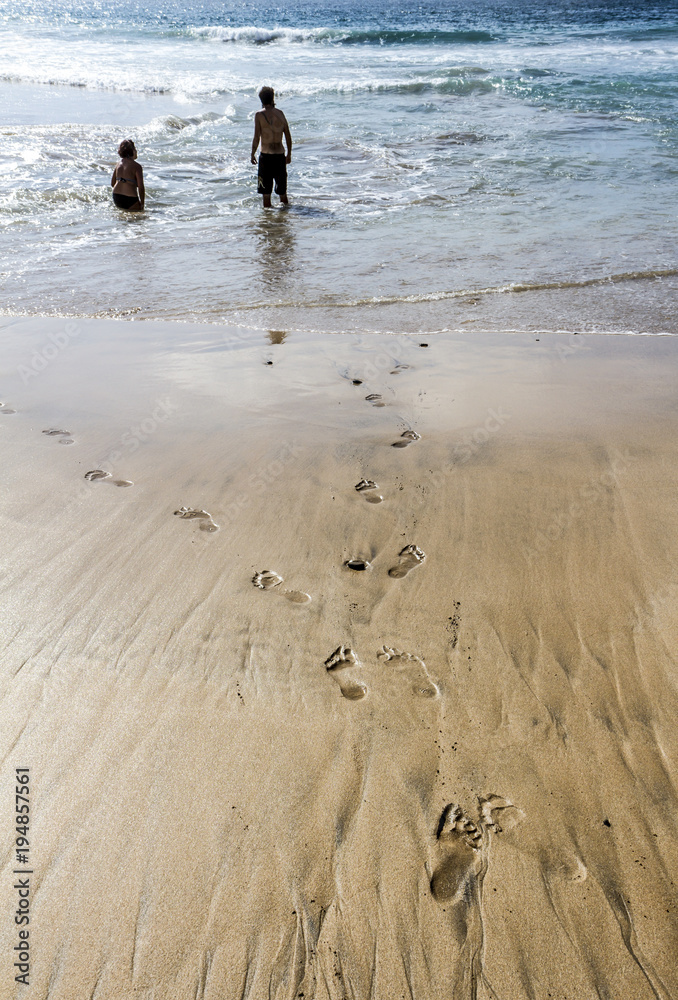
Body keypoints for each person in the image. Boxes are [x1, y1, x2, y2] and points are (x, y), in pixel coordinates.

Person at [251, 87, 292, 208]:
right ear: (272, 98)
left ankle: (268, 223)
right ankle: (285, 219)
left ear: (261, 99)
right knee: (283, 193)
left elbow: (256, 137)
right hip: (279, 156)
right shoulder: (280, 114)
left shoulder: (259, 115)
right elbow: (288, 136)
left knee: (266, 194)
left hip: (266, 158)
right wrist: (289, 154)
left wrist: (252, 153)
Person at [111, 139, 145, 211]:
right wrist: (142, 204)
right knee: (139, 219)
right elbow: (141, 187)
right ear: (132, 151)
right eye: (135, 149)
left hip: (116, 196)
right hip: (130, 198)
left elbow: (112, 183)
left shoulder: (118, 164)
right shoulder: (137, 166)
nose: (136, 151)